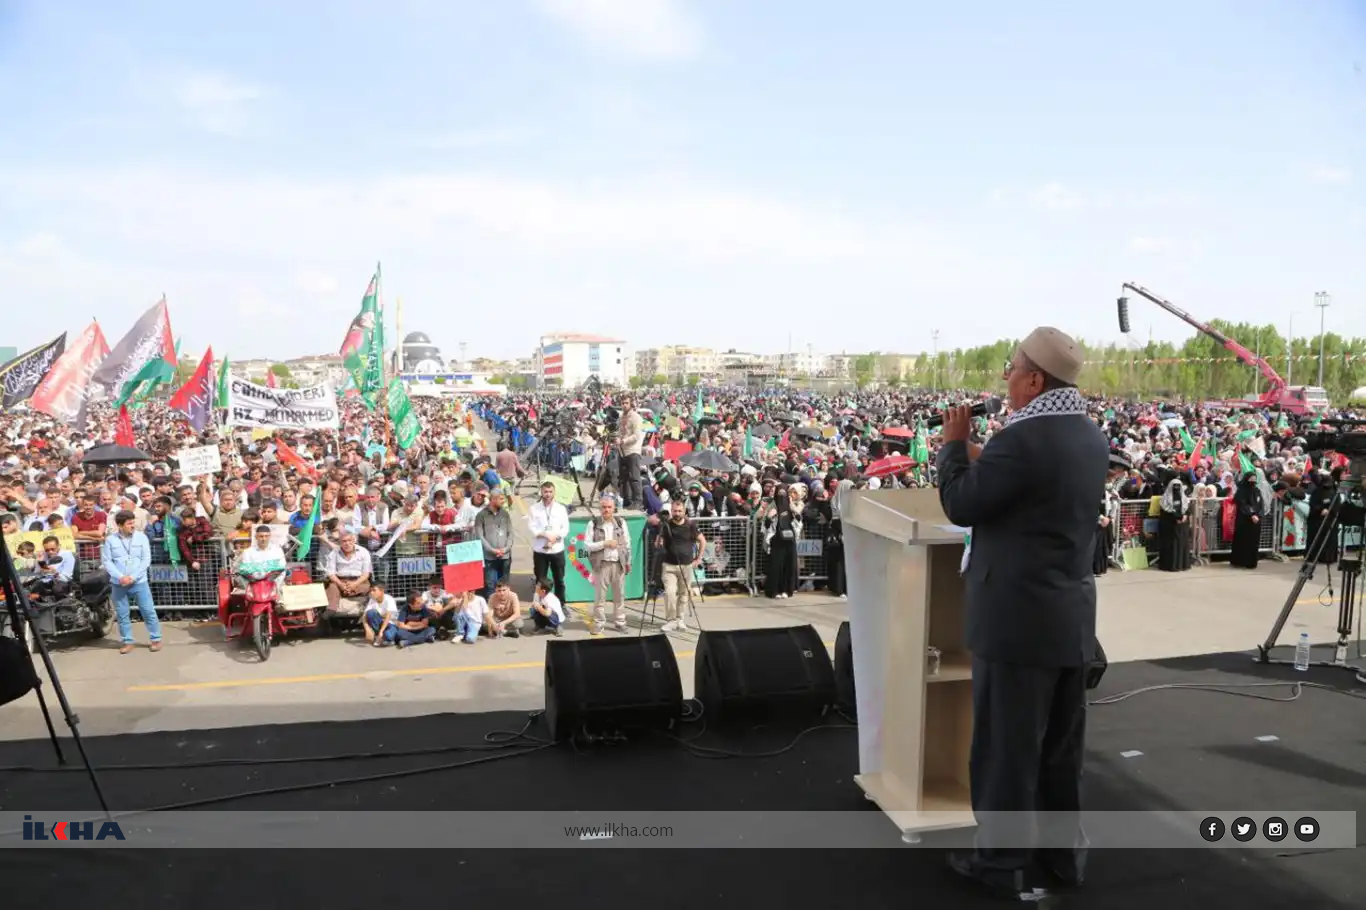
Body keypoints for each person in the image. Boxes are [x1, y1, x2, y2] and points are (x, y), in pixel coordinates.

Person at [935, 327, 1108, 897]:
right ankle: (1063, 858)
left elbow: (962, 504)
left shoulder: (1023, 438)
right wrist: (982, 456)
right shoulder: (1088, 435)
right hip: (1068, 619)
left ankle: (1001, 861)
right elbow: (1033, 486)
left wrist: (953, 447)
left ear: (1034, 380)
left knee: (1006, 751)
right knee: (1061, 750)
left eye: (1011, 368)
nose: (1005, 378)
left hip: (1015, 623)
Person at [100, 509, 163, 655]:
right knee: (122, 614)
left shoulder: (141, 537)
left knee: (148, 611)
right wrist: (120, 577)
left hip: (139, 582)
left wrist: (133, 577)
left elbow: (146, 560)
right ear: (120, 525)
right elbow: (107, 561)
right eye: (129, 523)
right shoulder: (111, 540)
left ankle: (156, 639)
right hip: (119, 584)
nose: (132, 525)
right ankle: (127, 641)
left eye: (133, 522)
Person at [584, 493, 631, 634]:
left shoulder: (621, 523)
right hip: (601, 565)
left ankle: (620, 622)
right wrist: (604, 544)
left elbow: (627, 544)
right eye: (604, 507)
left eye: (609, 507)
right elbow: (587, 546)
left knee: (619, 596)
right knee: (600, 597)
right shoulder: (593, 524)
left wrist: (628, 561)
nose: (607, 510)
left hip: (618, 564)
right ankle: (599, 623)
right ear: (600, 509)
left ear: (614, 508)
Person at [655, 497, 704, 633]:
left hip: (686, 566)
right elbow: (658, 543)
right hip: (669, 566)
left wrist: (698, 559)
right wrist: (659, 541)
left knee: (684, 593)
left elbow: (702, 540)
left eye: (679, 511)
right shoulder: (666, 525)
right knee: (670, 592)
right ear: (671, 511)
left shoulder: (690, 525)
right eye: (675, 511)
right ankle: (671, 621)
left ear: (684, 511)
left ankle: (680, 619)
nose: (677, 513)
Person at [528, 480, 570, 605]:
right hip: (540, 550)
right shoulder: (534, 508)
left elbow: (565, 528)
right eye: (545, 491)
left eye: (550, 491)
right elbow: (531, 527)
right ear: (541, 492)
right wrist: (545, 535)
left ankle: (560, 604)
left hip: (557, 550)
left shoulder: (560, 509)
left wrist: (554, 539)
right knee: (540, 580)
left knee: (559, 579)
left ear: (554, 493)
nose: (548, 494)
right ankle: (539, 605)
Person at [1229, 471, 1265, 569]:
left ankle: (1251, 562)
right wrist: (1251, 514)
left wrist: (1258, 515)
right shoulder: (1242, 491)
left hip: (1256, 521)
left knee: (1254, 541)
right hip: (1244, 520)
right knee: (1243, 540)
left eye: (1254, 478)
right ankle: (1239, 561)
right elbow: (1242, 504)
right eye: (1251, 478)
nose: (1253, 480)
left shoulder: (1257, 490)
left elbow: (1261, 504)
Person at [1156, 477, 1192, 572]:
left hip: (1182, 526)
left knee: (1181, 544)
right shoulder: (1164, 499)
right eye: (1174, 486)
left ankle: (1182, 564)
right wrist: (1175, 518)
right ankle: (1170, 565)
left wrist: (1185, 516)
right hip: (1169, 527)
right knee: (1171, 546)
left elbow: (1187, 509)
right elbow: (1165, 512)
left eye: (1178, 486)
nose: (1176, 488)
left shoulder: (1184, 498)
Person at [616, 396, 644, 509]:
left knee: (634, 477)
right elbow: (620, 431)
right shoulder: (621, 417)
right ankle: (626, 500)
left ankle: (638, 501)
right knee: (623, 478)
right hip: (621, 450)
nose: (624, 405)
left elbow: (636, 436)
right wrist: (617, 438)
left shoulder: (636, 417)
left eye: (626, 403)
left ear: (631, 404)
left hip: (633, 451)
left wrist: (623, 441)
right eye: (622, 403)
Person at [363, 581, 399, 647]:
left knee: (389, 635)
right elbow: (364, 615)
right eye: (370, 590)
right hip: (380, 622)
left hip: (390, 623)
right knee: (371, 612)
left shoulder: (389, 599)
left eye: (374, 590)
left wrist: (381, 631)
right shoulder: (372, 599)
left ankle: (383, 637)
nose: (371, 592)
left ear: (382, 591)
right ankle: (378, 636)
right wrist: (367, 629)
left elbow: (388, 616)